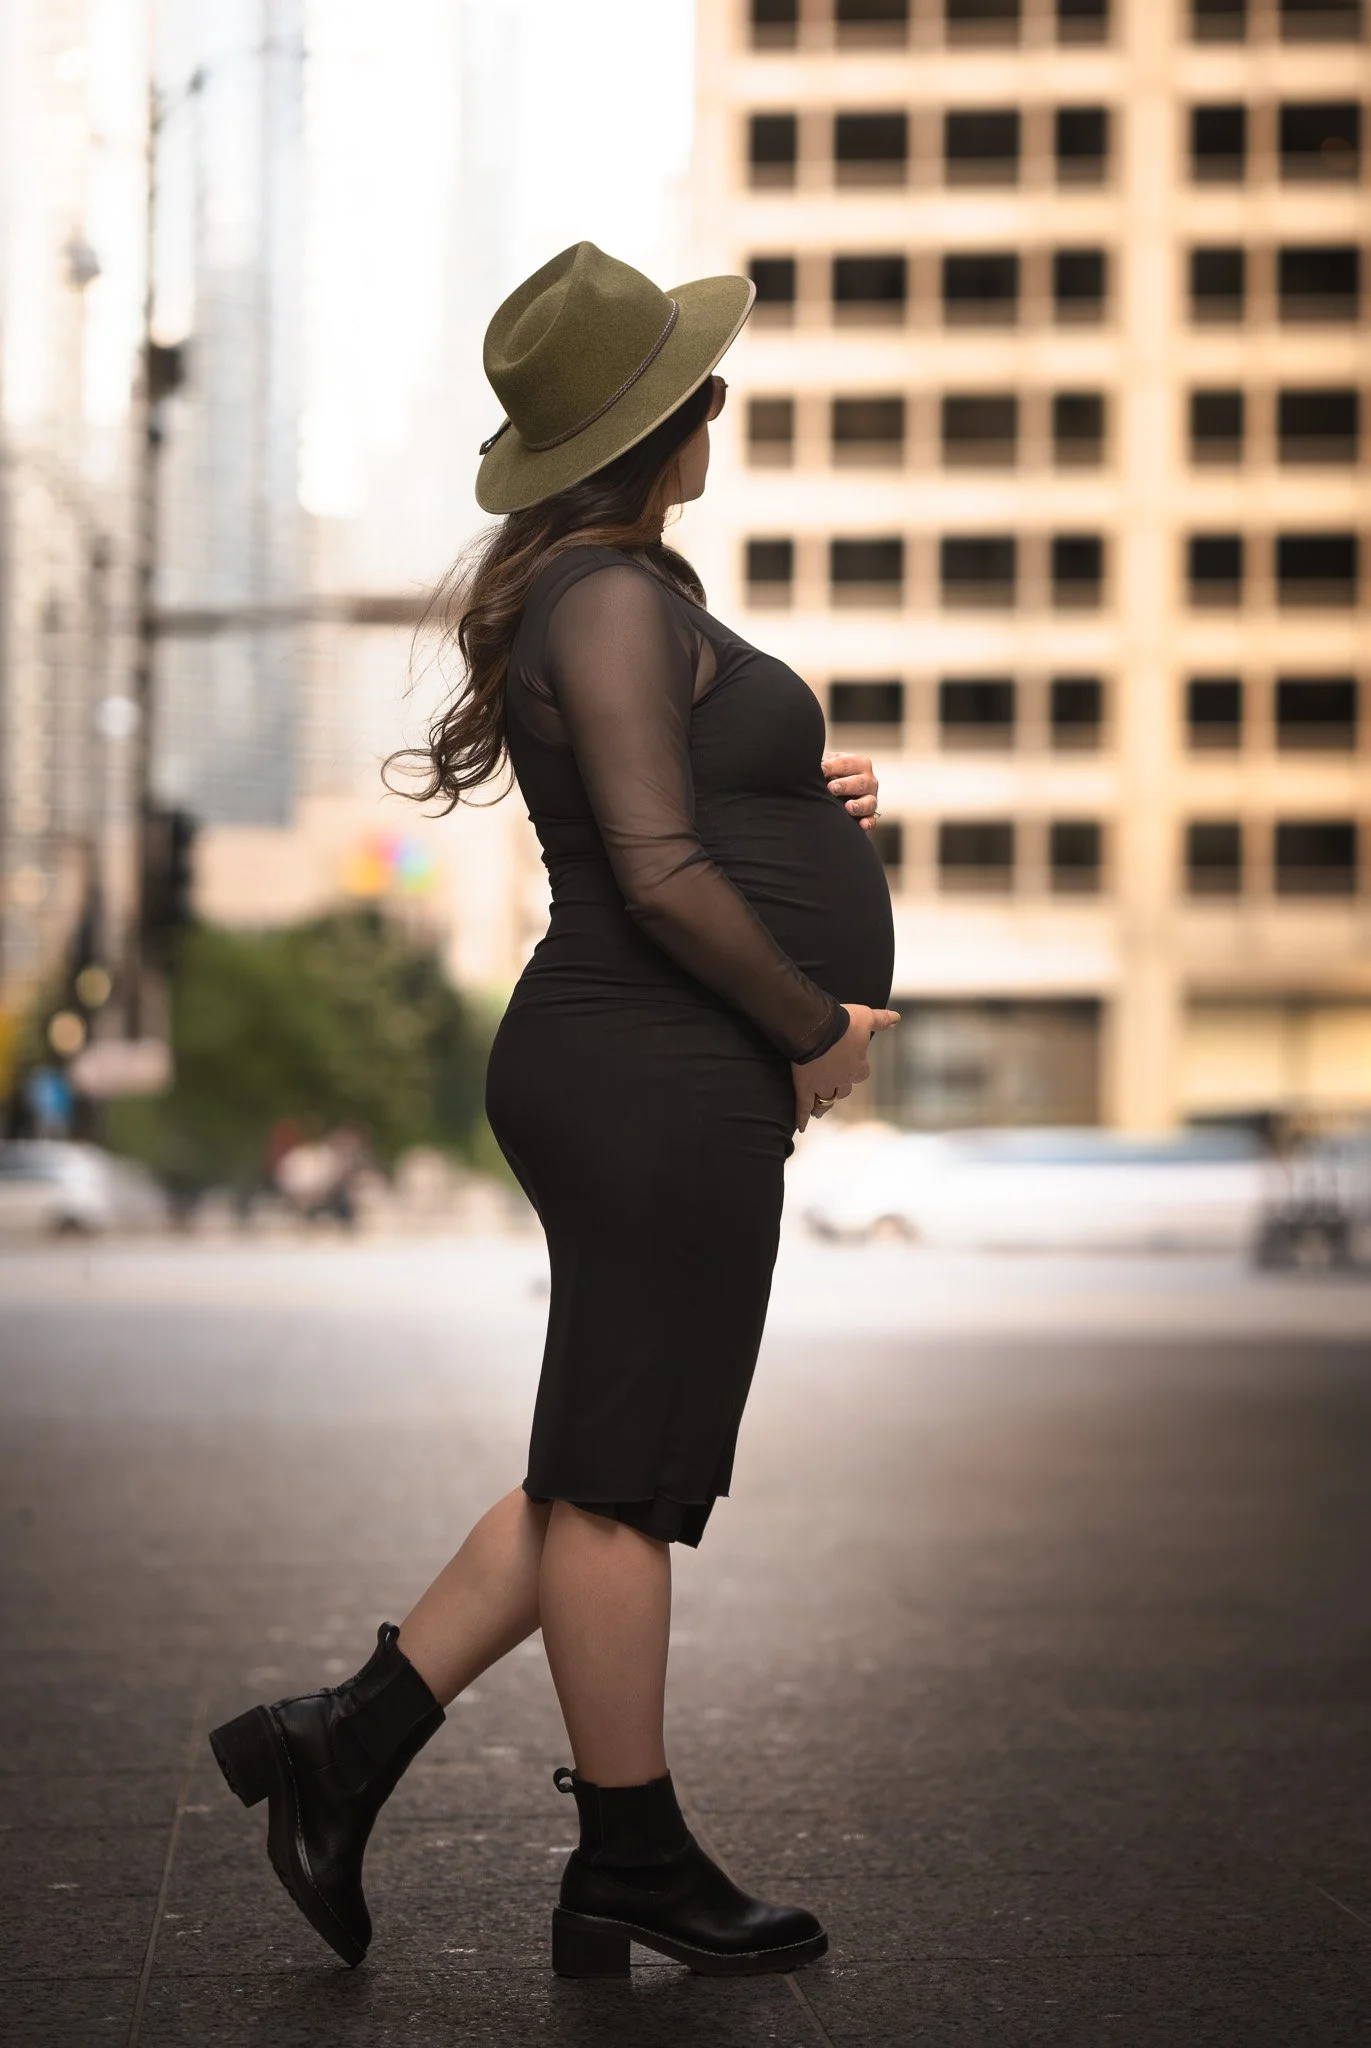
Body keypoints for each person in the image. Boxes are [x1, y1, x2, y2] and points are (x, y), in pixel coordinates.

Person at [208, 241, 897, 1981]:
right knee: (620, 1487)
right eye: (700, 385)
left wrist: (797, 794)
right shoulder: (606, 593)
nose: (718, 405)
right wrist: (815, 1024)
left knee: (603, 1462)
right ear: (659, 419)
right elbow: (655, 876)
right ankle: (629, 1860)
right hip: (643, 1063)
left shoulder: (624, 594)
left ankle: (342, 1743)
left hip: (649, 1069)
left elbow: (672, 805)